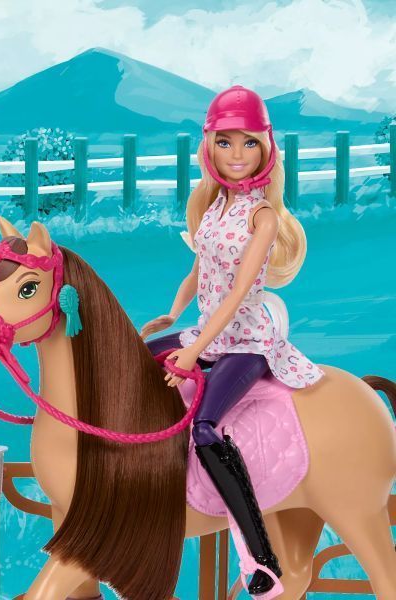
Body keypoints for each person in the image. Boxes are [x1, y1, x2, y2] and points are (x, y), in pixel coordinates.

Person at [141, 85, 324, 596]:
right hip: (206, 330)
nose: (237, 154)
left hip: (246, 342)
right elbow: (198, 272)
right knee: (134, 365)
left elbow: (239, 293)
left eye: (248, 143)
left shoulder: (262, 217)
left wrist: (193, 350)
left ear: (265, 148)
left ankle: (261, 560)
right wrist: (171, 316)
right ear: (210, 147)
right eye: (225, 142)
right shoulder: (215, 206)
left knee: (205, 428)